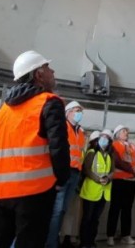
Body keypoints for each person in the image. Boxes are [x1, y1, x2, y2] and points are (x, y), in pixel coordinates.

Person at [0, 50, 70, 248]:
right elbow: (58, 145)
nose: (53, 71)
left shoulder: (4, 109)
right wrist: (62, 178)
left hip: (1, 191)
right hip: (35, 190)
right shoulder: (49, 102)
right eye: (48, 68)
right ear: (39, 74)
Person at [47, 101, 86, 248]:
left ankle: (54, 240)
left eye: (81, 111)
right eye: (77, 110)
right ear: (68, 112)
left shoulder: (81, 132)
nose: (79, 113)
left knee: (63, 210)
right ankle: (50, 243)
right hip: (62, 172)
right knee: (56, 211)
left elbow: (79, 153)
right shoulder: (61, 127)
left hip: (75, 173)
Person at [78, 129, 113, 248]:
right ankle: (84, 242)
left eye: (106, 138)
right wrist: (98, 179)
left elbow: (112, 171)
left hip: (103, 192)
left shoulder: (109, 155)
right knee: (87, 218)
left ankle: (91, 241)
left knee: (95, 219)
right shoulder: (92, 152)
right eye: (102, 137)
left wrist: (108, 178)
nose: (104, 140)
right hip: (91, 191)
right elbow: (86, 169)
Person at [106, 125, 135, 245]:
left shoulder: (132, 146)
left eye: (127, 131)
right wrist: (132, 169)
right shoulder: (114, 145)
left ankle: (126, 234)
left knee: (127, 209)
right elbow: (117, 161)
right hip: (119, 181)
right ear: (117, 134)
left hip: (131, 181)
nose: (126, 133)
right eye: (124, 131)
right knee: (115, 208)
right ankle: (110, 235)